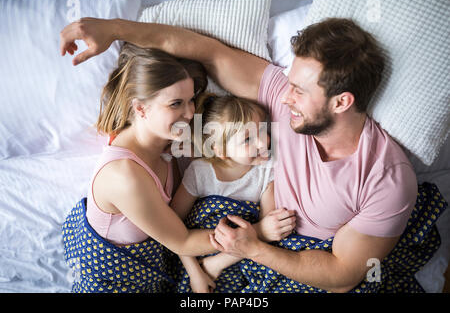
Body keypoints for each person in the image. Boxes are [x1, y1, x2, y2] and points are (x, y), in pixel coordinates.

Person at [60, 17, 418, 293]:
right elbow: (207, 51)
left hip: (299, 258)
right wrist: (112, 28)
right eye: (288, 83)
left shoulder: (387, 178)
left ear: (342, 102)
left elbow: (342, 276)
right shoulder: (280, 98)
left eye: (298, 90)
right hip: (244, 236)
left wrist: (255, 248)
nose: (285, 96)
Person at [62, 42, 218, 293]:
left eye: (190, 100)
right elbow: (183, 240)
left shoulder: (167, 142)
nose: (190, 113)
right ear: (141, 108)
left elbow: (172, 222)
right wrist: (257, 235)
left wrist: (194, 271)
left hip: (158, 270)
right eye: (176, 103)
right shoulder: (125, 176)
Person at [170, 93, 296, 293]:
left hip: (243, 258)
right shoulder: (200, 172)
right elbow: (172, 230)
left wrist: (215, 265)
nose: (263, 144)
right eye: (248, 139)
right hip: (196, 257)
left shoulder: (266, 170)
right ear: (220, 150)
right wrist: (196, 273)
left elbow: (265, 232)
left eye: (263, 130)